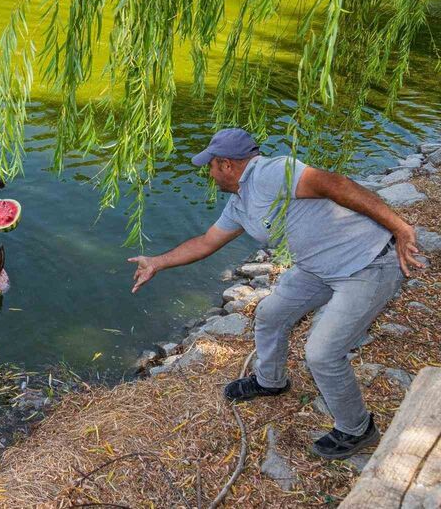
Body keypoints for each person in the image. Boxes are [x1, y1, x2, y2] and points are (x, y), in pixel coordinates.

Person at [128, 128, 425, 459]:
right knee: (270, 314)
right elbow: (206, 242)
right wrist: (157, 262)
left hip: (368, 264)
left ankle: (357, 429)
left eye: (210, 165)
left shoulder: (271, 173)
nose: (208, 172)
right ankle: (271, 381)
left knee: (322, 353)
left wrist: (400, 228)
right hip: (318, 269)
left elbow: (337, 185)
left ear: (226, 164)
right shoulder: (240, 202)